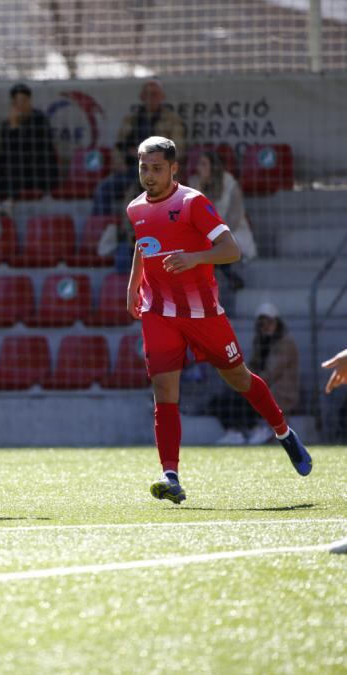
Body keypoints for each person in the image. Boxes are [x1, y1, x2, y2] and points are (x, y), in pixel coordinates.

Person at [124, 136, 311, 504]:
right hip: (158, 311)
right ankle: (170, 475)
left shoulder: (193, 202)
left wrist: (193, 258)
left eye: (157, 168)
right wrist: (133, 287)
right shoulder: (135, 208)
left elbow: (231, 250)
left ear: (174, 169)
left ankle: (284, 433)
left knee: (240, 379)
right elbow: (142, 246)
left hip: (203, 314)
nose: (148, 175)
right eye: (144, 167)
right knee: (164, 391)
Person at [207, 303, 300, 445]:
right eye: (262, 323)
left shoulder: (285, 343)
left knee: (241, 398)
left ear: (277, 323)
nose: (265, 326)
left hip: (280, 393)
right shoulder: (261, 341)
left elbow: (270, 374)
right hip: (262, 387)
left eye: (269, 322)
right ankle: (235, 432)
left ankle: (258, 429)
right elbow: (252, 366)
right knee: (220, 400)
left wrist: (245, 382)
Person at [94, 80, 185, 217]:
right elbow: (118, 147)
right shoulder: (131, 119)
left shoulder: (172, 120)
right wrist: (120, 163)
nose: (150, 98)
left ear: (162, 97)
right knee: (103, 189)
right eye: (147, 94)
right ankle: (106, 232)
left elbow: (178, 150)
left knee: (134, 195)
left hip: (157, 172)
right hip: (129, 170)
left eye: (154, 94)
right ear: (142, 97)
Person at [188, 149, 256, 294]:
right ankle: (229, 276)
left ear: (213, 166)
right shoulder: (195, 183)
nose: (199, 168)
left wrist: (215, 233)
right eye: (199, 164)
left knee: (212, 246)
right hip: (205, 234)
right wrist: (199, 187)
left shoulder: (230, 185)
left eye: (203, 164)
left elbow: (235, 217)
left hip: (231, 232)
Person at [0, 83, 58, 207]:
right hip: (18, 174)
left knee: (17, 159)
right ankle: (0, 203)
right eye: (17, 101)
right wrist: (13, 127)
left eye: (24, 101)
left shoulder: (40, 119)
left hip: (39, 171)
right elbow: (8, 151)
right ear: (12, 103)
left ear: (30, 101)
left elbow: (34, 148)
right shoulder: (8, 124)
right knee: (3, 159)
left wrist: (16, 130)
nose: (21, 105)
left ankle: (11, 200)